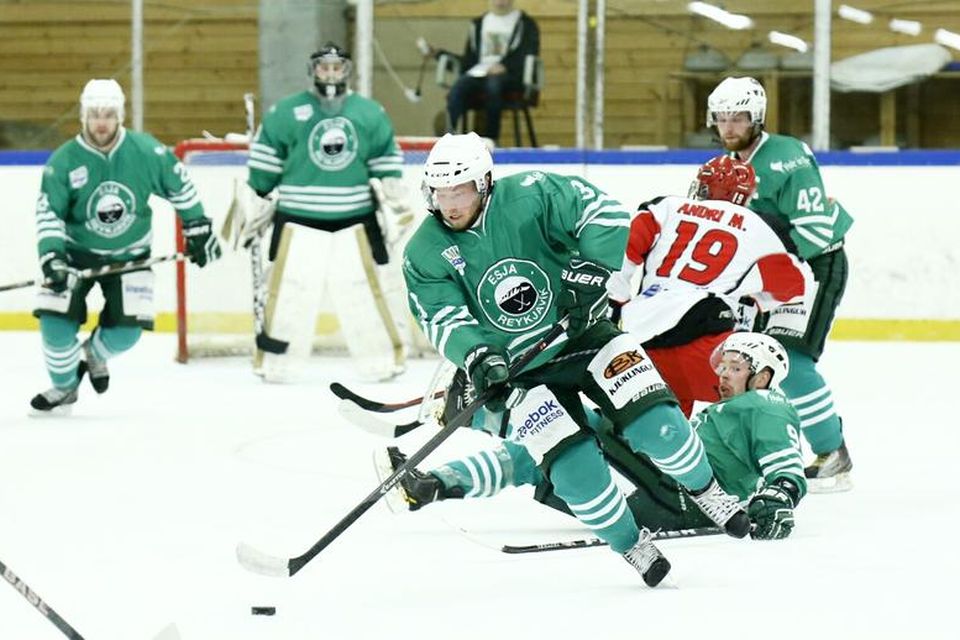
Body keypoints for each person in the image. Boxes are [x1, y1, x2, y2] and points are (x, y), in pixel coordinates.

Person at [396, 132, 750, 587]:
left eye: (459, 191)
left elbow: (601, 214)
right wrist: (478, 354)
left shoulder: (534, 192)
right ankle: (632, 544)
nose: (449, 204)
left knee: (658, 427)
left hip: (587, 334)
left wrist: (594, 268)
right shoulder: (424, 251)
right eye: (440, 193)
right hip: (521, 371)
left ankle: (708, 491)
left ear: (485, 183)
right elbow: (442, 317)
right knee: (576, 473)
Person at [378, 332, 806, 541]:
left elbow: (784, 461)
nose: (723, 374)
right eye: (723, 365)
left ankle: (465, 417)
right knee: (550, 445)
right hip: (667, 496)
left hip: (687, 500)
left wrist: (780, 496)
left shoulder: (766, 405)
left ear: (764, 374)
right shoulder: (729, 409)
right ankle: (433, 485)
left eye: (735, 366)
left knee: (560, 423)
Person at [30, 79, 221, 412]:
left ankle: (93, 355)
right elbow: (49, 213)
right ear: (83, 116)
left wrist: (197, 225)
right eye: (94, 114)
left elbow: (180, 187)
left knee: (127, 333)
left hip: (131, 257)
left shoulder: (146, 151)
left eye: (108, 114)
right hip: (74, 256)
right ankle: (64, 388)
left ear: (119, 115)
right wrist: (52, 257)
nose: (101, 122)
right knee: (55, 326)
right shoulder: (64, 161)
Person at [707, 76, 854, 492]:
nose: (729, 127)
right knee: (747, 359)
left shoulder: (787, 156)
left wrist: (765, 280)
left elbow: (813, 231)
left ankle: (833, 455)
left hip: (814, 266)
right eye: (722, 118)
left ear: (756, 118)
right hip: (766, 275)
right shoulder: (720, 169)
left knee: (791, 358)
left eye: (738, 117)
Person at [244, 42, 415, 383]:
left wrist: (393, 193)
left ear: (347, 71)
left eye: (338, 67)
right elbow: (262, 172)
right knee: (290, 293)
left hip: (355, 220)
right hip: (296, 221)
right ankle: (277, 363)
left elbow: (386, 163)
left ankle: (382, 360)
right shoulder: (285, 112)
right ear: (313, 71)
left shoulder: (369, 112)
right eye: (325, 67)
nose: (331, 73)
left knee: (364, 293)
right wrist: (257, 201)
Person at [608, 155, 813, 417]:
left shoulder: (665, 207)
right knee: (760, 395)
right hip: (706, 350)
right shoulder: (761, 227)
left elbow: (620, 253)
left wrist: (617, 304)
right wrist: (754, 297)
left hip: (640, 343)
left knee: (666, 430)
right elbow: (799, 284)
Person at [430, 0, 540, 144]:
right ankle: (447, 137)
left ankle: (490, 139)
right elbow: (468, 61)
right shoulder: (478, 24)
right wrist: (439, 54)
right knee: (459, 87)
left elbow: (528, 53)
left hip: (510, 76)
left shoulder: (525, 24)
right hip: (479, 73)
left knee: (493, 86)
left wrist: (505, 66)